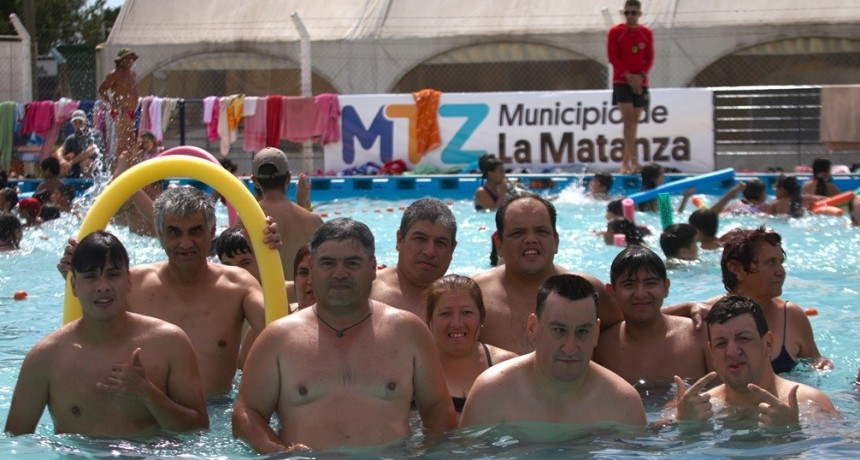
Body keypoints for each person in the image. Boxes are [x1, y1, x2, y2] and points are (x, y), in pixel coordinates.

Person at [232, 218, 456, 453]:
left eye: (352, 263)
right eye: (328, 263)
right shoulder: (279, 339)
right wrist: (278, 452)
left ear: (372, 268)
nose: (340, 273)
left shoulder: (408, 331)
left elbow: (438, 408)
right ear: (313, 270)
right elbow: (246, 413)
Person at [57, 186, 273, 396]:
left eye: (195, 231)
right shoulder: (133, 285)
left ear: (212, 231)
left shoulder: (238, 285)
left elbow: (279, 330)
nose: (185, 243)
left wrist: (271, 254)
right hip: (145, 417)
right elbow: (92, 325)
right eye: (174, 232)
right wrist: (76, 275)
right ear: (159, 233)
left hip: (215, 417)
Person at [5, 231, 208, 436]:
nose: (103, 287)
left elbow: (199, 429)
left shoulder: (170, 343)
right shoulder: (45, 357)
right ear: (74, 285)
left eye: (112, 275)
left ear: (128, 280)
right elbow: (15, 442)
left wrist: (147, 394)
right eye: (91, 277)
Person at [459, 274, 646, 426]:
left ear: (596, 332)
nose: (571, 347)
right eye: (559, 330)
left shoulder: (622, 403)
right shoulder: (492, 393)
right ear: (533, 328)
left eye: (582, 332)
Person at [474, 194, 622, 355]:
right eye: (518, 233)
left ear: (556, 241)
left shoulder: (588, 290)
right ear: (499, 244)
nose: (530, 239)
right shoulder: (475, 295)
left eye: (541, 231)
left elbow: (628, 337)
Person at [673, 295, 836, 427]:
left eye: (743, 338)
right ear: (712, 353)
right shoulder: (698, 407)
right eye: (721, 343)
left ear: (768, 343)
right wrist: (685, 425)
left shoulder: (809, 403)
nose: (732, 352)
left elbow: (839, 450)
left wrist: (792, 431)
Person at [706, 227, 832, 373]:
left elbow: (814, 361)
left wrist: (821, 365)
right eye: (770, 262)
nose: (781, 272)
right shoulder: (707, 315)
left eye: (781, 262)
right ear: (736, 269)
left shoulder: (791, 315)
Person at [594, 246, 710, 392]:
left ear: (666, 287)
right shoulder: (600, 348)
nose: (641, 294)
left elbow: (727, 395)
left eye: (650, 283)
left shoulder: (699, 334)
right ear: (612, 292)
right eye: (629, 285)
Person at [423, 274, 517, 413]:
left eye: (466, 312)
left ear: (482, 317)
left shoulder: (508, 368)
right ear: (429, 320)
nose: (456, 324)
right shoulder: (413, 372)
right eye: (445, 314)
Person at [371, 198, 457, 318]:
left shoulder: (463, 302)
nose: (430, 252)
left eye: (440, 243)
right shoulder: (368, 292)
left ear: (452, 249)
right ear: (400, 240)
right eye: (420, 239)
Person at [250, 147, 322, 281]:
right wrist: (303, 203)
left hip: (266, 300)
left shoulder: (246, 218)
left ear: (255, 181)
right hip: (303, 300)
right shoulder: (314, 221)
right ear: (288, 177)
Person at [607, 0, 654, 174]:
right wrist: (628, 76)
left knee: (634, 124)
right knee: (628, 122)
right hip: (622, 81)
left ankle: (625, 163)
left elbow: (649, 58)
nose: (630, 16)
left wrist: (640, 76)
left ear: (639, 14)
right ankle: (633, 162)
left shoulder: (645, 33)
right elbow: (613, 57)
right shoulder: (615, 32)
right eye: (627, 13)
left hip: (640, 82)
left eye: (633, 13)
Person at [98, 48, 139, 164]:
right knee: (123, 142)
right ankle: (118, 169)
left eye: (131, 59)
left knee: (130, 140)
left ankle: (128, 165)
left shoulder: (132, 74)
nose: (130, 61)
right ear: (120, 61)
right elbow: (101, 90)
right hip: (122, 111)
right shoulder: (114, 75)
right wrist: (112, 104)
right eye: (127, 59)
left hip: (131, 110)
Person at [54, 109, 101, 178]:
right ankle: (63, 186)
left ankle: (87, 186)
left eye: (80, 122)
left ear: (85, 122)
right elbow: (59, 151)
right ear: (72, 124)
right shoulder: (71, 138)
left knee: (85, 163)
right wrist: (62, 161)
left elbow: (90, 151)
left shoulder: (94, 134)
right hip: (76, 165)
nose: (78, 124)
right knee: (62, 166)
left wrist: (72, 162)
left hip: (96, 166)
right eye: (75, 122)